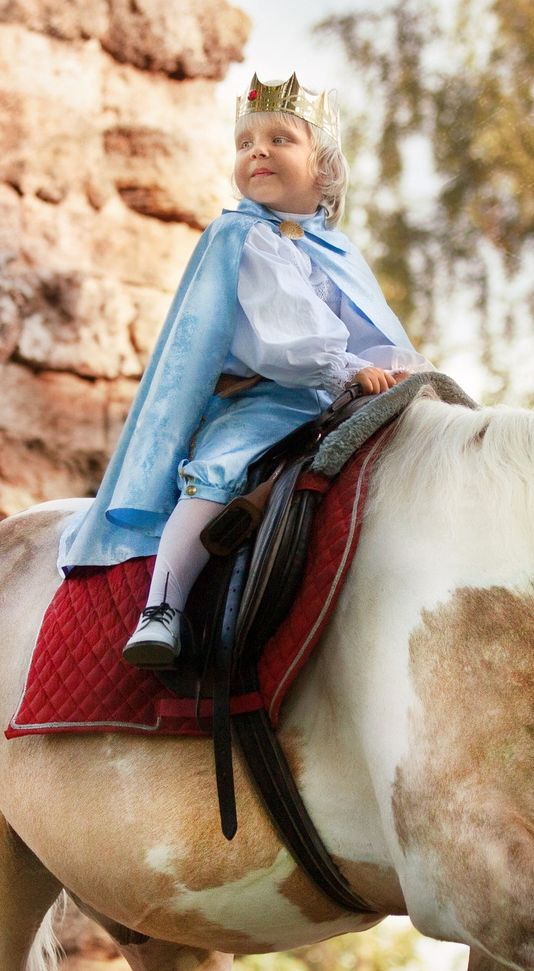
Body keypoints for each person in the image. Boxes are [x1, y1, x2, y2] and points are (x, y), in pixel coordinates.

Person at [55, 74, 429, 669]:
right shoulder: (245, 236)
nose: (258, 150)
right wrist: (348, 370)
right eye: (245, 143)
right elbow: (282, 343)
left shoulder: (338, 250)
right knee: (222, 469)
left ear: (324, 169)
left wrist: (406, 374)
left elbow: (375, 334)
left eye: (280, 138)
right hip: (268, 400)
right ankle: (164, 605)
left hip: (339, 401)